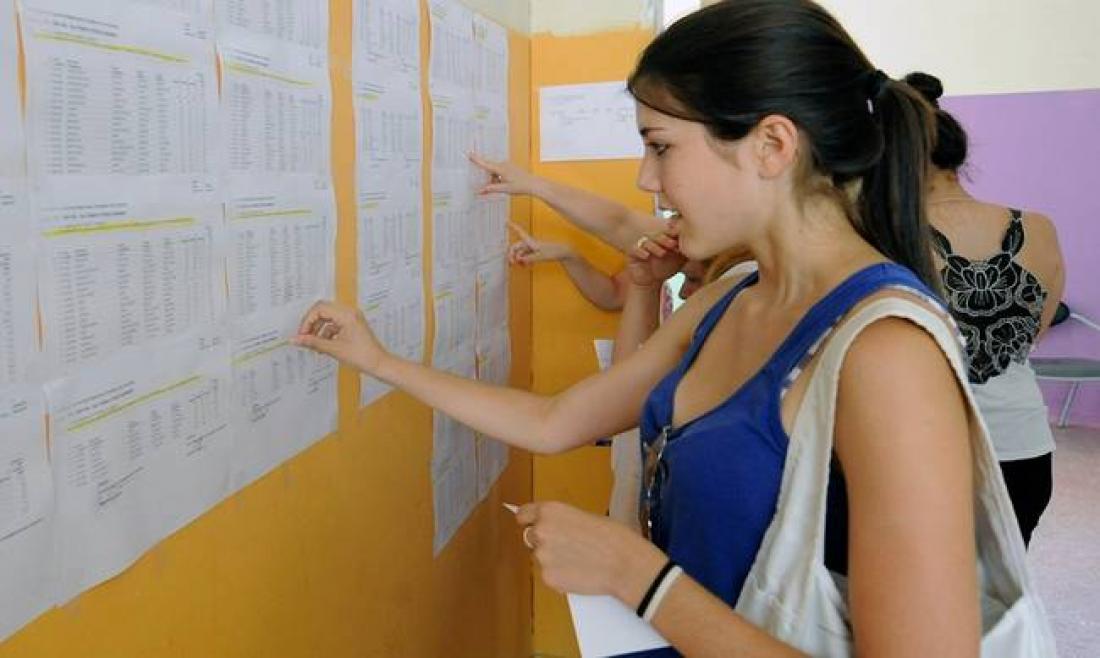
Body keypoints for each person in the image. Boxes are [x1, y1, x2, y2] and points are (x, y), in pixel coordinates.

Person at [296, 2, 992, 653]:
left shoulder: (886, 354)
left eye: (660, 146)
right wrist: (379, 362)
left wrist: (638, 577)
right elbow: (554, 421)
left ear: (772, 145)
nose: (645, 178)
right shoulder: (730, 297)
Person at [905, 71, 1066, 547]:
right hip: (1024, 446)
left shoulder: (889, 232)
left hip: (926, 450)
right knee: (1003, 585)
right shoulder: (1038, 228)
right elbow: (1033, 334)